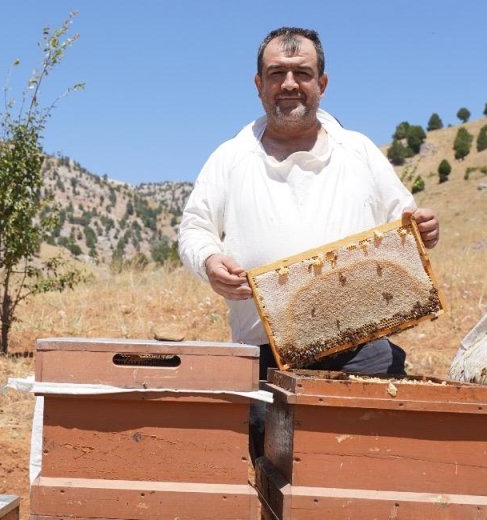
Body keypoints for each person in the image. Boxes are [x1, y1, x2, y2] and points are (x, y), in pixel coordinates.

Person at [178, 26, 440, 382]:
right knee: (265, 437)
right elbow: (195, 227)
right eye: (276, 74)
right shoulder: (230, 157)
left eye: (302, 73)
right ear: (258, 84)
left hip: (362, 348)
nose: (289, 84)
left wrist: (422, 227)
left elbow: (404, 220)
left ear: (322, 83)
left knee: (374, 437)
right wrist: (209, 261)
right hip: (262, 354)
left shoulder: (359, 151)